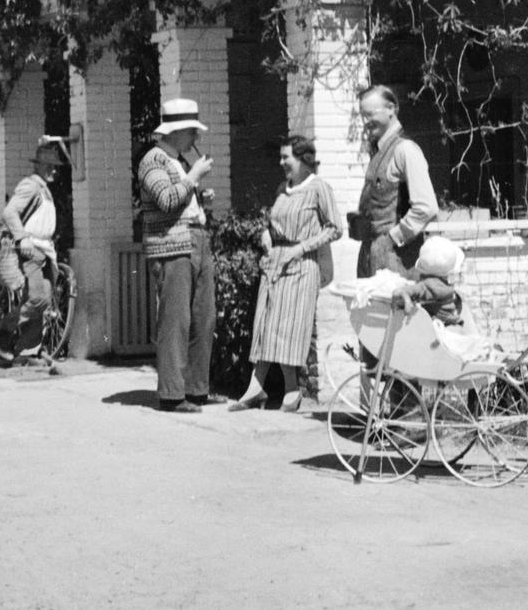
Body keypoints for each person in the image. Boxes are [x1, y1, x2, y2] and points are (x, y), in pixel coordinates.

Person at [230, 136, 341, 414]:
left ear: (303, 160)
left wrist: (303, 247)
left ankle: (292, 390)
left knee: (289, 329)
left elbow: (335, 228)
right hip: (275, 262)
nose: (281, 163)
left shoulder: (319, 189)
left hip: (302, 265)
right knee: (265, 324)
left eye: (285, 158)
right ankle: (257, 386)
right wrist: (266, 233)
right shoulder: (283, 188)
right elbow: (273, 221)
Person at [138, 98, 217, 413]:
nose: (196, 139)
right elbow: (167, 199)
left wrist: (199, 197)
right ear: (176, 131)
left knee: (204, 317)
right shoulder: (153, 161)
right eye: (192, 132)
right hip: (171, 246)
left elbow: (181, 198)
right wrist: (194, 177)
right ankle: (172, 394)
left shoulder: (180, 161)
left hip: (197, 239)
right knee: (175, 320)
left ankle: (197, 389)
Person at [350, 85, 439, 277]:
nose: (365, 121)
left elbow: (426, 208)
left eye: (369, 114)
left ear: (391, 108)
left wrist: (392, 238)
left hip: (396, 261)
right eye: (362, 116)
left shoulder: (405, 150)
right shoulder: (378, 152)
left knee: (393, 307)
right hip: (370, 255)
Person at [0, 135, 66, 362]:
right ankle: (3, 330)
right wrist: (22, 238)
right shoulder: (31, 186)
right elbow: (9, 212)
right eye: (50, 167)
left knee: (43, 299)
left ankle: (21, 349)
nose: (54, 171)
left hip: (44, 251)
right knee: (38, 298)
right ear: (40, 166)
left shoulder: (44, 189)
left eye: (55, 167)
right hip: (31, 249)